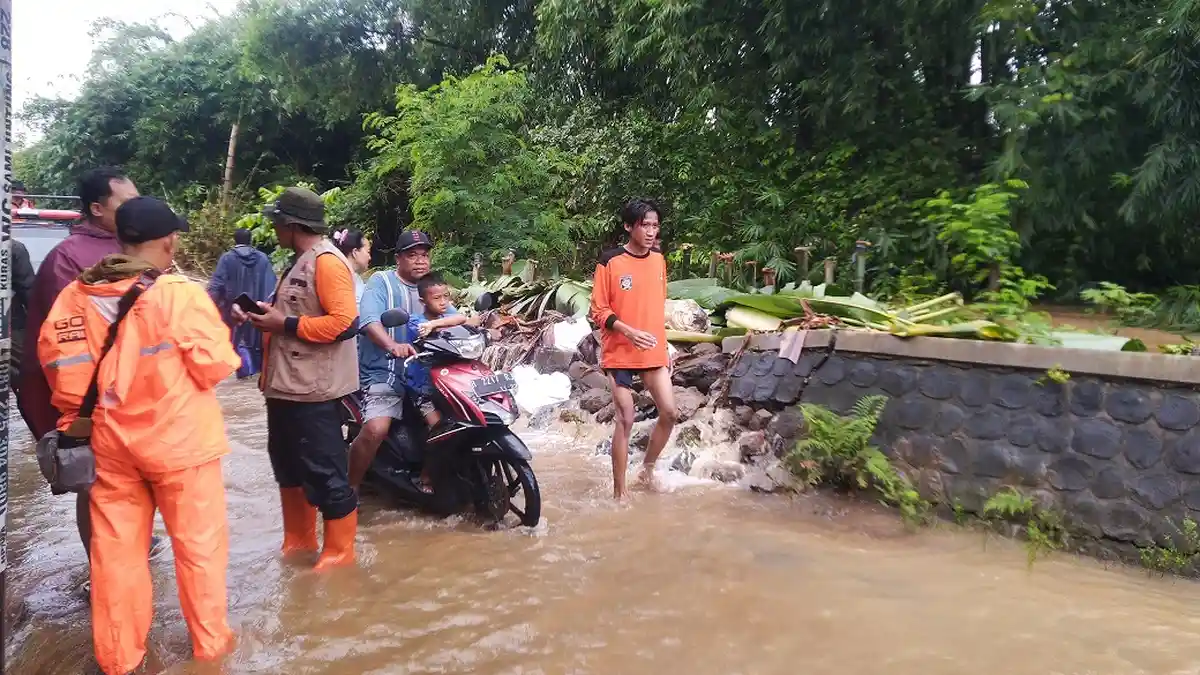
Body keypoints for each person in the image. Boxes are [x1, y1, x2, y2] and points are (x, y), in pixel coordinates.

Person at [38, 196, 238, 675]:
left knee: (116, 561)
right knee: (199, 552)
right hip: (181, 448)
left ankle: (119, 661)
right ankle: (210, 654)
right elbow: (216, 367)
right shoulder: (179, 294)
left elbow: (60, 376)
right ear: (168, 241)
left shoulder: (72, 297)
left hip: (108, 450)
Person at [16, 166, 169, 565]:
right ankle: (103, 568)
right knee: (98, 489)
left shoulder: (139, 248)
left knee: (139, 486)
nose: (136, 206)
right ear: (97, 208)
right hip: (98, 406)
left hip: (145, 402)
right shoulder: (69, 259)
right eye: (126, 201)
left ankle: (134, 552)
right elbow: (58, 348)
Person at [233, 187, 360, 571]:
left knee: (326, 472)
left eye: (275, 222)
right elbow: (297, 312)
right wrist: (266, 315)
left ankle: (339, 553)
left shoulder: (327, 262)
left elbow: (345, 323)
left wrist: (282, 322)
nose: (272, 228)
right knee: (287, 466)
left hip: (314, 392)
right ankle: (299, 540)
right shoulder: (297, 261)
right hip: (285, 387)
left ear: (291, 224)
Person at [589, 198, 678, 500]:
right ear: (629, 226)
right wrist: (628, 330)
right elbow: (599, 310)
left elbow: (657, 307)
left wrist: (666, 348)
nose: (651, 231)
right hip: (620, 352)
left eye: (655, 225)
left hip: (652, 351)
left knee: (669, 412)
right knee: (626, 417)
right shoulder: (609, 261)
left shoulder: (659, 260)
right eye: (645, 225)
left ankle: (647, 470)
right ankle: (620, 493)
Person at [347, 229, 434, 491]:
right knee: (376, 428)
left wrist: (481, 322)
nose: (420, 260)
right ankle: (348, 489)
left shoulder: (430, 287)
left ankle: (430, 476)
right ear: (398, 259)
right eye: (412, 255)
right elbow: (369, 321)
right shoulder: (381, 282)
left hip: (424, 372)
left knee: (452, 419)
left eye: (424, 255)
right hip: (385, 370)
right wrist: (392, 344)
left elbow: (450, 314)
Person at [404, 272, 468, 492]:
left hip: (446, 382)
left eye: (446, 297)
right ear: (423, 301)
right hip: (422, 387)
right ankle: (426, 475)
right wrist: (433, 326)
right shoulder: (415, 321)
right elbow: (431, 329)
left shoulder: (445, 314)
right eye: (436, 298)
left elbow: (461, 319)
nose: (443, 302)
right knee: (439, 427)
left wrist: (437, 323)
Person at [207, 228, 277, 378]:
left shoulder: (227, 259)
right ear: (250, 240)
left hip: (234, 310)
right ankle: (256, 376)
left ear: (235, 240)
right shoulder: (263, 258)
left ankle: (244, 373)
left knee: (238, 343)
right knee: (258, 346)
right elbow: (272, 286)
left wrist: (210, 309)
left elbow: (216, 286)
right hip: (258, 309)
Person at [10, 238, 35, 389]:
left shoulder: (13, 249)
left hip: (12, 322)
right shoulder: (13, 248)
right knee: (28, 375)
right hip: (11, 325)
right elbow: (29, 292)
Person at [332, 227, 372, 304]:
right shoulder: (342, 278)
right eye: (368, 252)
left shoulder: (354, 277)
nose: (369, 257)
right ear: (355, 252)